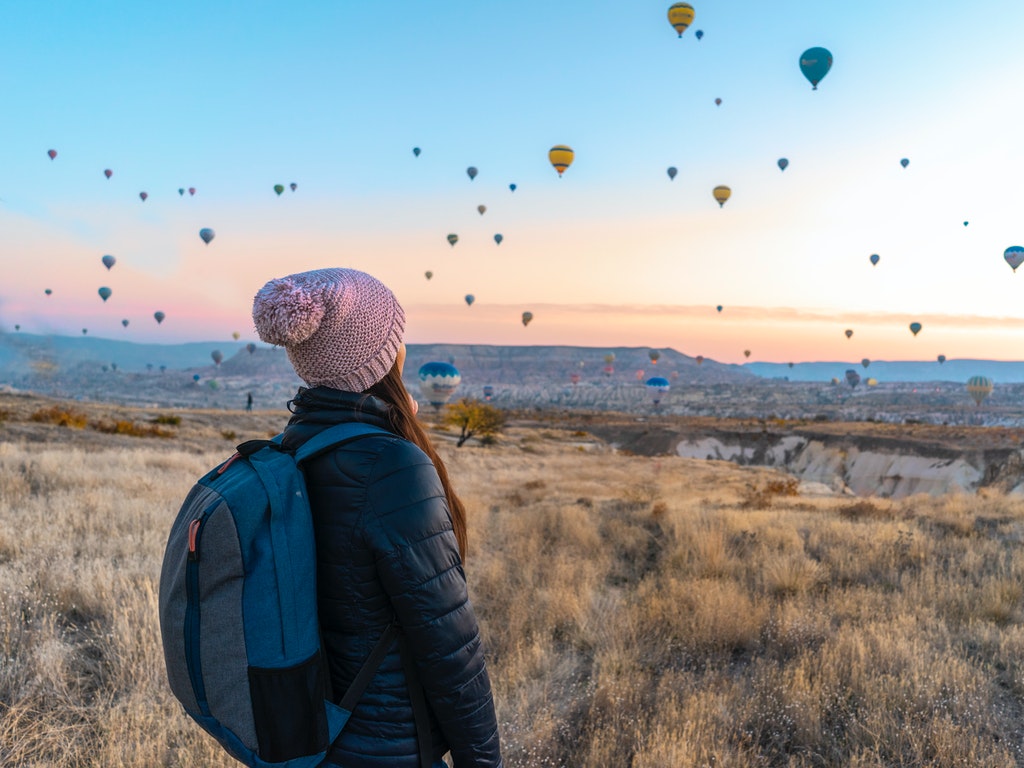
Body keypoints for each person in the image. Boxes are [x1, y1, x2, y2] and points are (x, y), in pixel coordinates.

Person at [252, 268, 502, 768]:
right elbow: (448, 641)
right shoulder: (390, 465)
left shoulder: (291, 449)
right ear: (383, 356)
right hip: (386, 743)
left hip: (308, 736)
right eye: (397, 336)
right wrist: (484, 760)